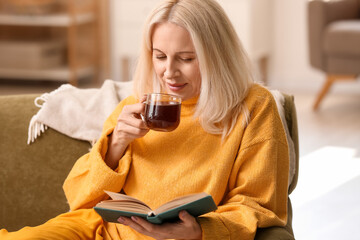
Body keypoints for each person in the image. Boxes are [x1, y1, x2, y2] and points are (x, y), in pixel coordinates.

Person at [0, 0, 290, 239]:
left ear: (217, 55)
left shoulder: (254, 107)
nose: (169, 72)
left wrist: (201, 232)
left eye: (187, 59)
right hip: (103, 232)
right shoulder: (136, 104)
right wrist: (116, 143)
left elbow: (258, 204)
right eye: (160, 56)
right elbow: (79, 199)